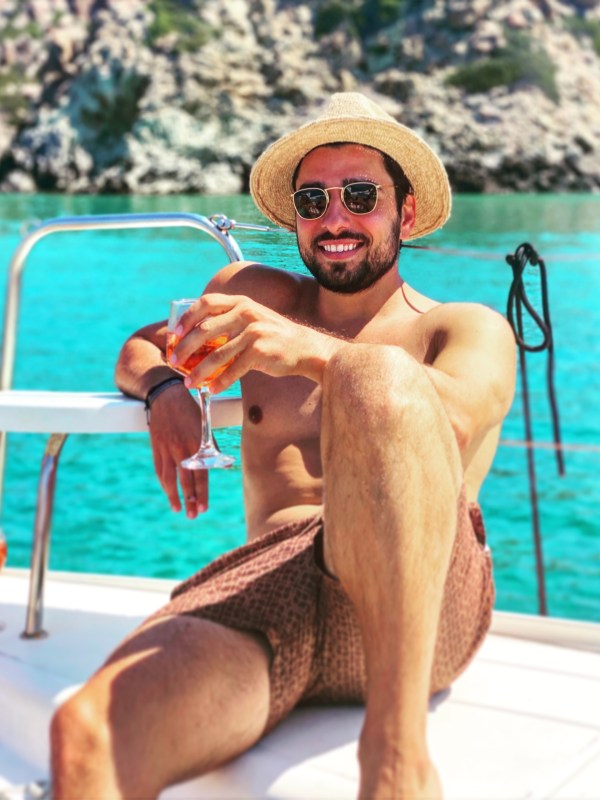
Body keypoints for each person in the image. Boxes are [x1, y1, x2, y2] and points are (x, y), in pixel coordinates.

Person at [50, 92, 516, 799]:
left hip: (418, 610)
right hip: (273, 595)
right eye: (313, 199)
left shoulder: (463, 329)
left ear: (407, 213)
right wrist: (165, 393)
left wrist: (305, 352)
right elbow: (143, 348)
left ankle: (396, 767)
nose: (335, 219)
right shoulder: (254, 298)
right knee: (89, 734)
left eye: (361, 195)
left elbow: (445, 417)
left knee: (380, 380)